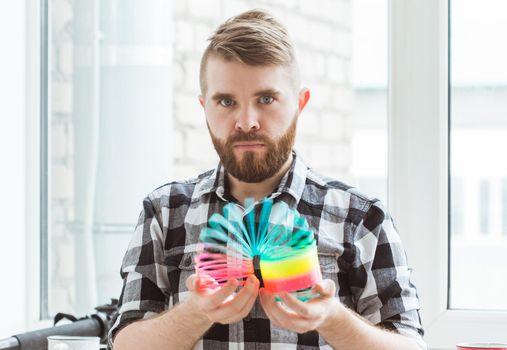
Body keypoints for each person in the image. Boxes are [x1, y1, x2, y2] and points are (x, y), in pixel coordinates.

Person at [108, 9, 426, 350]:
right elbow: (125, 343)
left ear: (300, 103)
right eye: (227, 101)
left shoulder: (361, 218)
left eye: (266, 99)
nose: (246, 121)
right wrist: (197, 312)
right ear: (204, 107)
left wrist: (331, 317)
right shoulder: (165, 212)